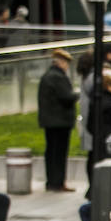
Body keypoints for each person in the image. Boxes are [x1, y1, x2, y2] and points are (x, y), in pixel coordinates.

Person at [37, 49, 79, 191]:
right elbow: (67, 97)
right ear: (60, 62)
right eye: (66, 63)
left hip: (51, 121)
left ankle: (52, 182)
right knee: (59, 153)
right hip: (59, 122)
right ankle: (58, 182)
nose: (67, 66)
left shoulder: (48, 75)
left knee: (51, 152)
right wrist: (77, 94)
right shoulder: (58, 77)